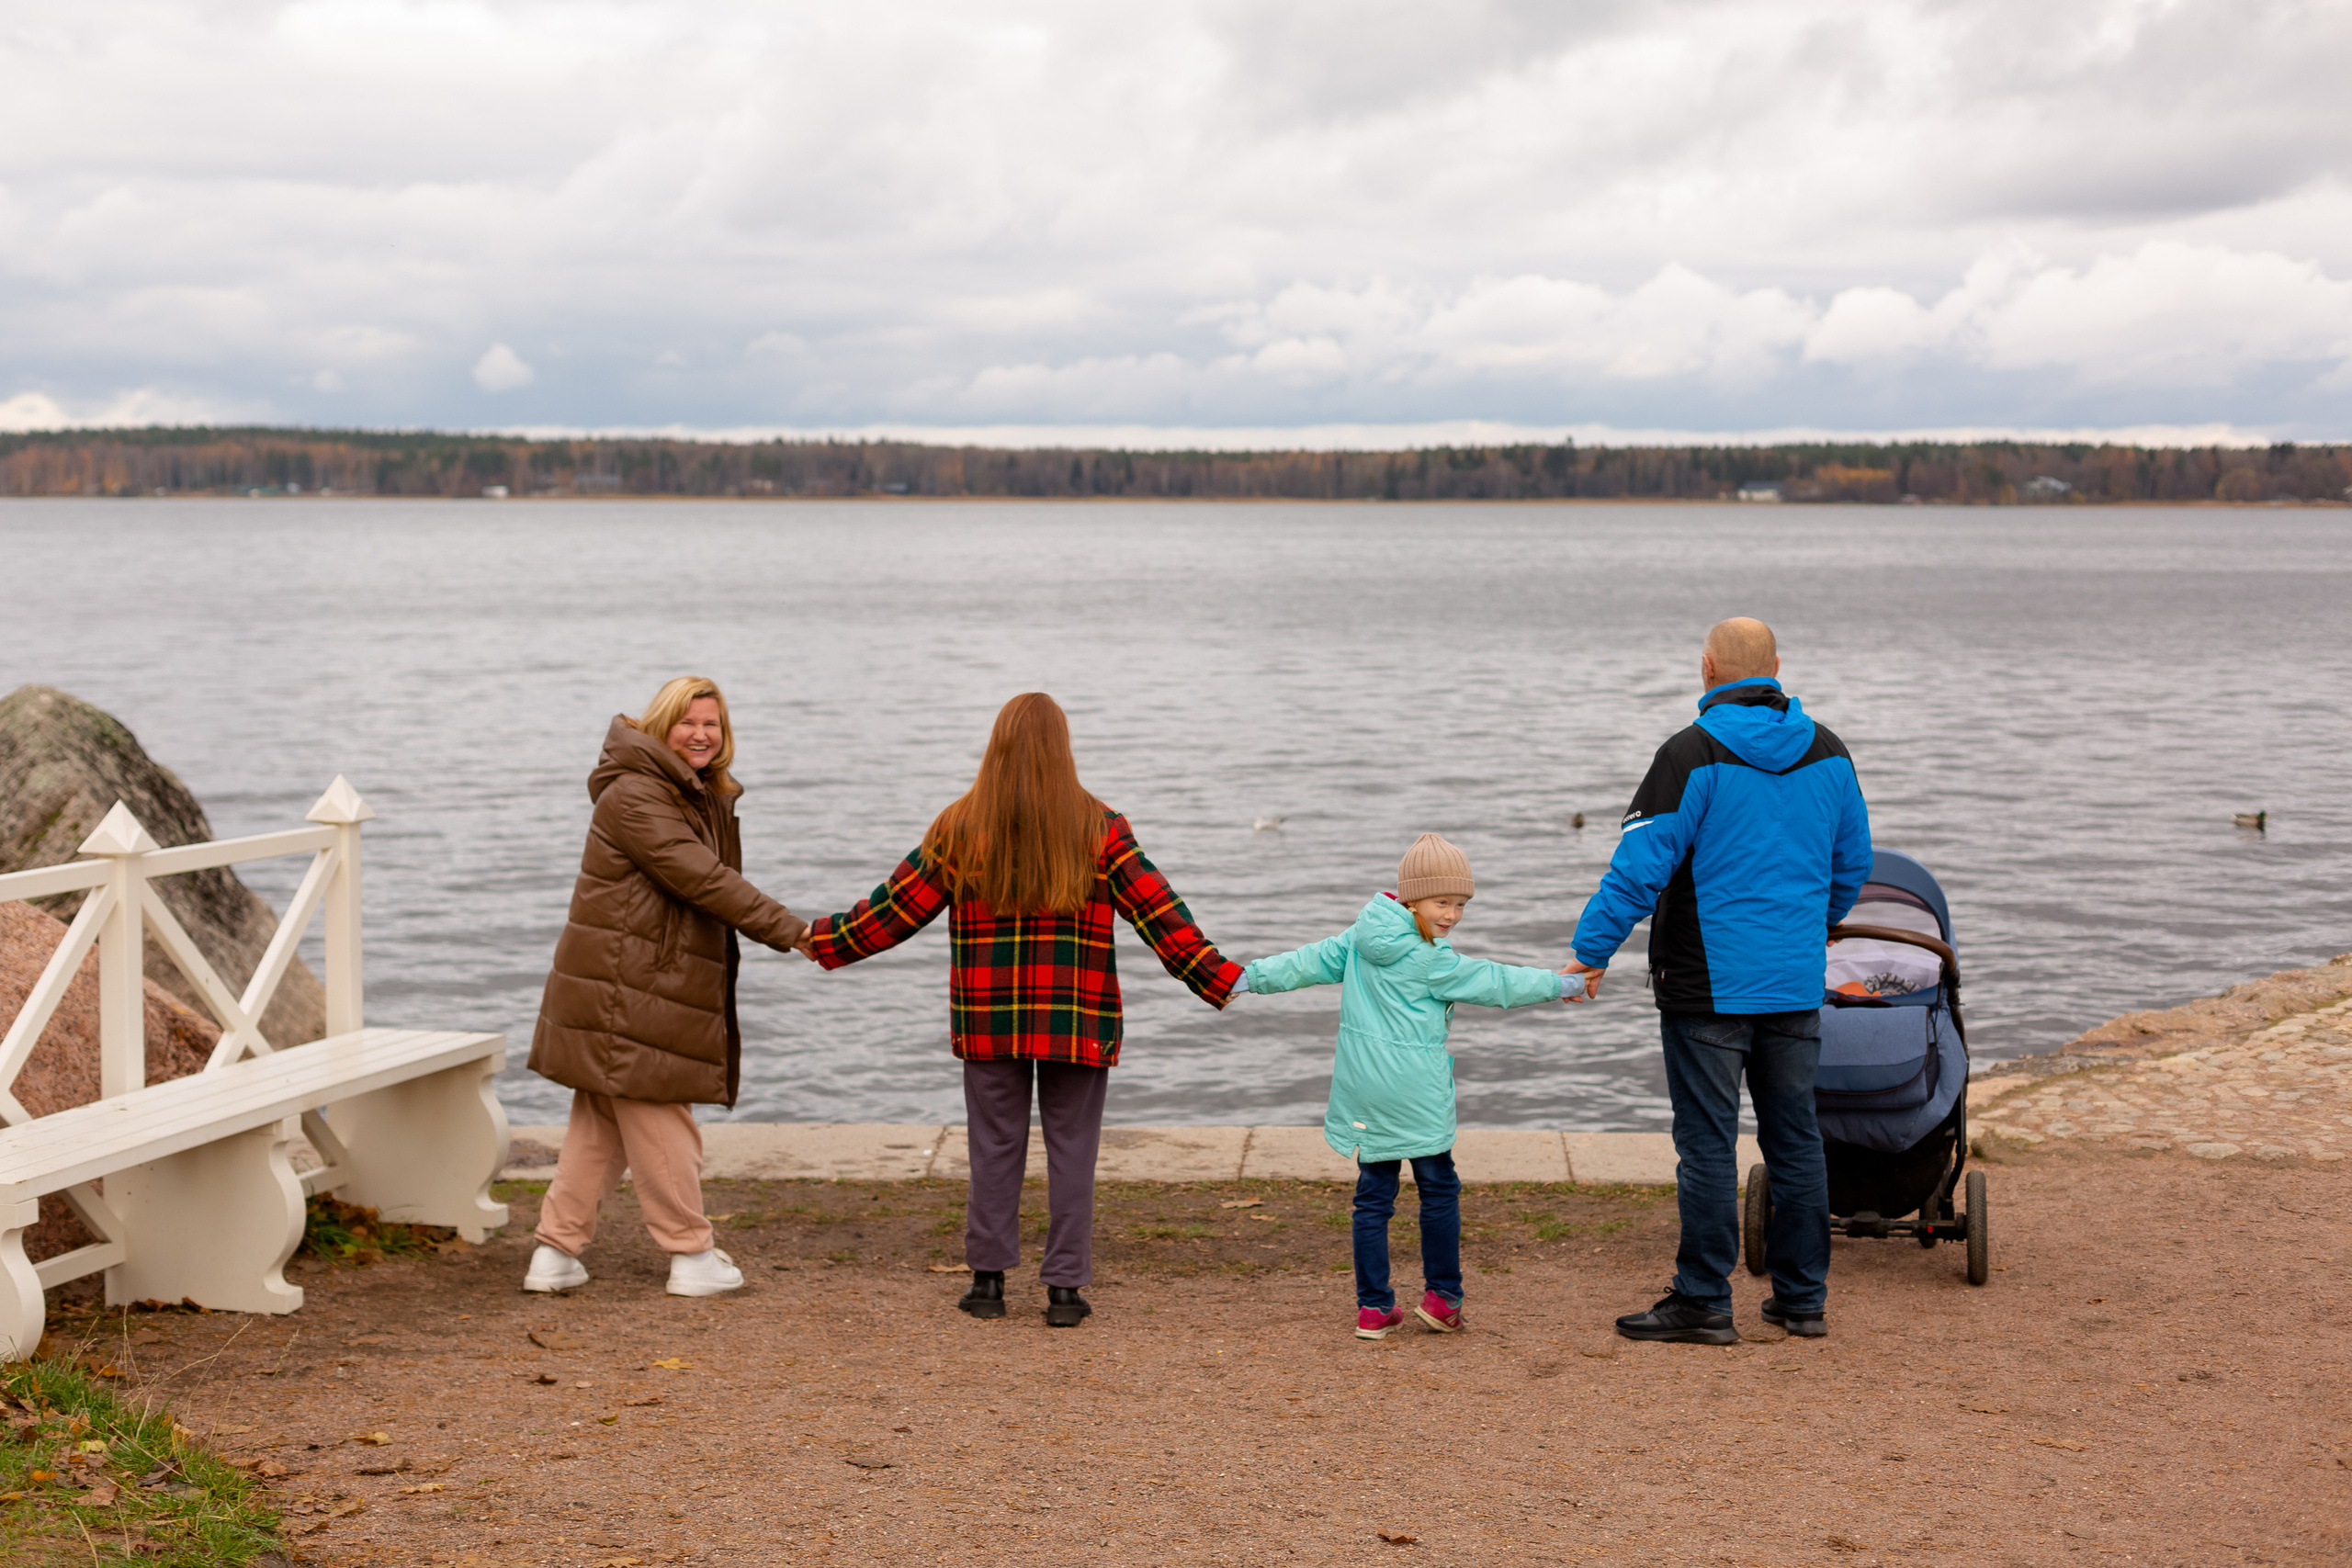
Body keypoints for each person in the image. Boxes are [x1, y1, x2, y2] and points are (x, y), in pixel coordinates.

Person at [797, 693, 1239, 1327]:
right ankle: (1064, 1289)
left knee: (994, 1145)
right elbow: (1160, 914)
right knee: (1073, 1148)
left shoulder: (959, 826)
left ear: (996, 745)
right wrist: (1220, 977)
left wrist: (821, 940)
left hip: (989, 1019)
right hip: (1077, 1018)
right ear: (1064, 748)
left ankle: (988, 1282)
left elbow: (892, 911)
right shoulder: (1101, 827)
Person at [1565, 618, 1870, 1343]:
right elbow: (1851, 863)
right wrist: (1813, 927)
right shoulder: (1829, 752)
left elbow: (1638, 870)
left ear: (1706, 668)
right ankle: (1802, 1299)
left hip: (1706, 987)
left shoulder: (1690, 752)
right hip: (1793, 982)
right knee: (1796, 1140)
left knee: (1706, 1144)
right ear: (1777, 668)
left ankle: (1703, 1297)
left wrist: (1589, 951)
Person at [523, 676, 808, 1298]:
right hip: (630, 984)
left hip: (628, 979)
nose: (702, 734)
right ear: (660, 726)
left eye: (713, 723)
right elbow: (704, 879)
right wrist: (797, 931)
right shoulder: (638, 796)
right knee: (661, 1112)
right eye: (688, 722)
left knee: (600, 1119)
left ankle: (556, 1250)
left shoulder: (688, 792)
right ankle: (690, 1251)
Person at [1238, 833, 1581, 1340]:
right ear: (1411, 897)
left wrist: (1242, 978)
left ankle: (1374, 1308)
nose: (1452, 915)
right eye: (1442, 902)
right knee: (1439, 1188)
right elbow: (1497, 982)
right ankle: (1443, 1299)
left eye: (1461, 904)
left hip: (1363, 1089)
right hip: (1416, 1093)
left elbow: (1304, 963)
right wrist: (1566, 983)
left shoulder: (1358, 939)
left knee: (1373, 1196)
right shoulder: (1431, 961)